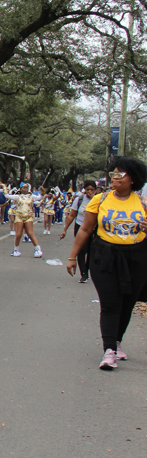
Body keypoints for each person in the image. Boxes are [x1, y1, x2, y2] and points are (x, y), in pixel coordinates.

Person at [66, 157, 147, 371]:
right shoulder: (100, 200)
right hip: (105, 256)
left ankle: (117, 341)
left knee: (128, 303)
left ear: (133, 179)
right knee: (110, 304)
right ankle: (109, 350)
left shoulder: (143, 203)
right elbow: (85, 229)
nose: (116, 178)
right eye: (113, 174)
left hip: (137, 257)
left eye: (121, 174)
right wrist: (73, 257)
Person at [60, 180, 97, 282]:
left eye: (92, 190)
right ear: (84, 190)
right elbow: (72, 215)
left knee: (91, 251)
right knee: (81, 250)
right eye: (88, 189)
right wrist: (65, 229)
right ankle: (83, 273)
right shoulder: (79, 200)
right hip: (80, 226)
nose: (90, 192)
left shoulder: (98, 200)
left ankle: (88, 269)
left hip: (94, 228)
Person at [2, 183, 43, 257]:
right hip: (19, 217)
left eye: (26, 188)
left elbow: (40, 197)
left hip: (28, 217)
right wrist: (4, 187)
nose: (25, 189)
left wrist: (42, 191)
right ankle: (16, 250)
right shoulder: (17, 197)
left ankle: (37, 249)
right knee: (18, 234)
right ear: (20, 189)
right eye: (23, 188)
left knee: (30, 233)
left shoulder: (31, 197)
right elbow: (7, 196)